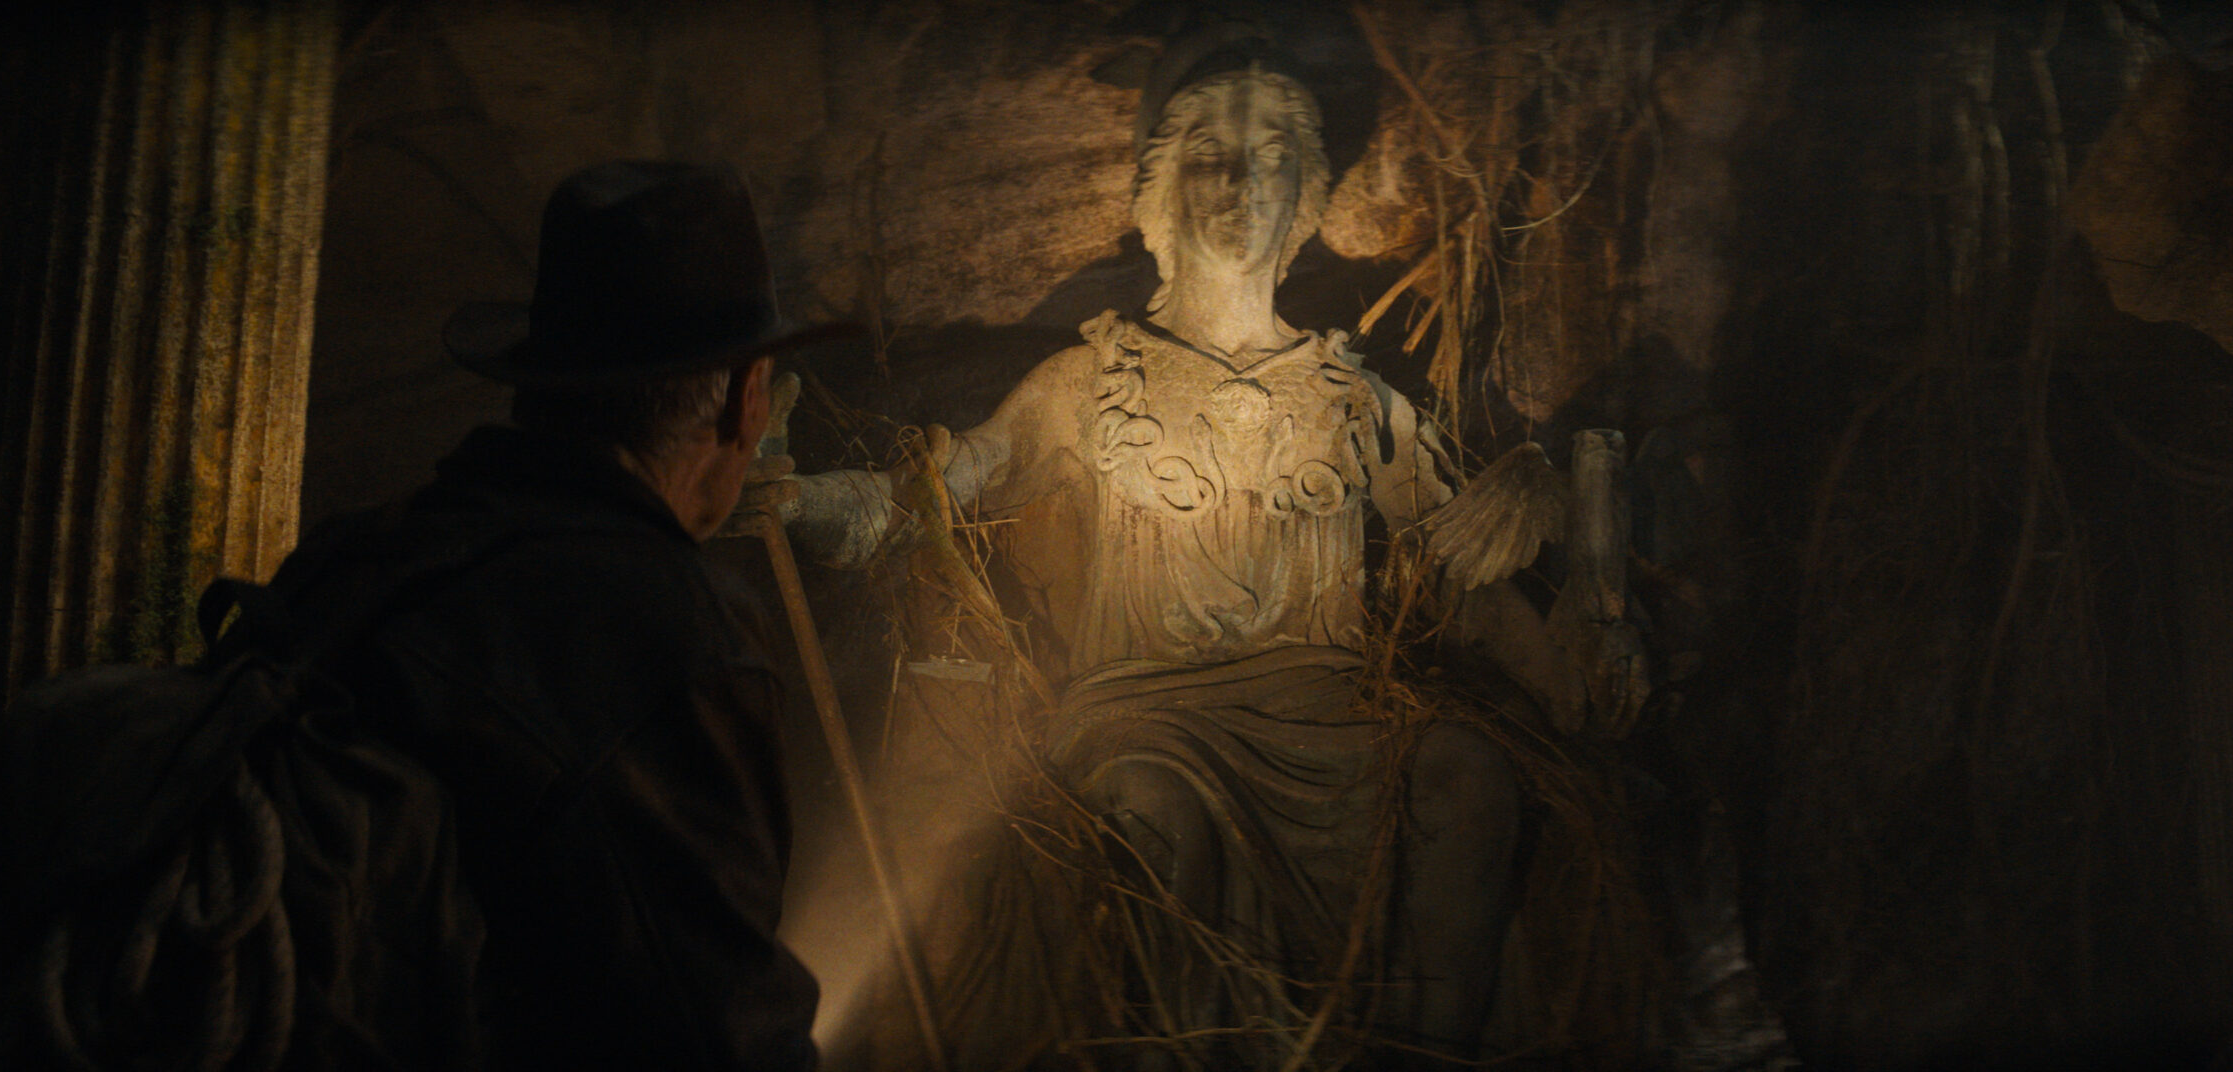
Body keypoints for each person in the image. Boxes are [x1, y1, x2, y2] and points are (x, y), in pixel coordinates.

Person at [753, 37, 1532, 1065]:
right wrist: (798, 499)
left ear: (1307, 196)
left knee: (1467, 775)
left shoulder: (1351, 394)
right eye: (1211, 157)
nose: (1241, 185)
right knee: (1155, 807)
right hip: (1143, 715)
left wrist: (1534, 496)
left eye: (1272, 158)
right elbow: (924, 499)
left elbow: (1467, 555)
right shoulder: (1086, 383)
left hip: (1332, 712)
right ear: (1159, 192)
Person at [273, 160, 834, 1070]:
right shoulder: (676, 636)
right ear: (747, 399)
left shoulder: (354, 558)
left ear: (537, 384)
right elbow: (723, 1038)